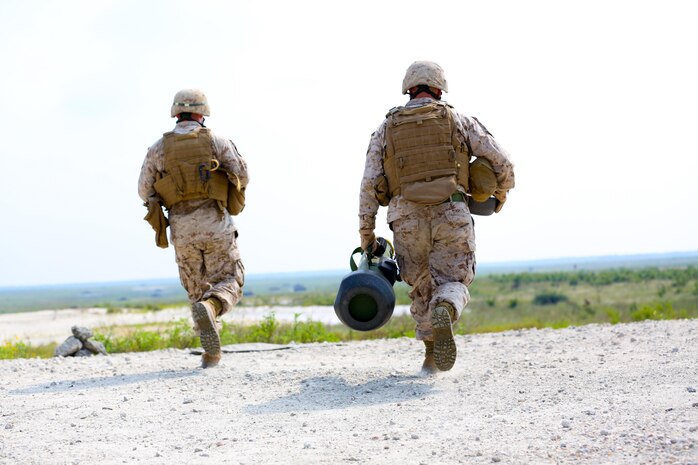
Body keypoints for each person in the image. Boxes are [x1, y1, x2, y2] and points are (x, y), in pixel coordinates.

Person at [358, 61, 515, 374]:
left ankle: (431, 356)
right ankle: (447, 307)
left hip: (406, 218)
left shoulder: (385, 129)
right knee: (454, 280)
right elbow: (503, 162)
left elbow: (368, 186)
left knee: (420, 286)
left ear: (408, 89)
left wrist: (367, 236)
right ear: (440, 88)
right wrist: (500, 193)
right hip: (451, 211)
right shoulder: (458, 120)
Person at [138, 88, 248, 368]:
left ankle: (211, 353)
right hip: (216, 226)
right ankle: (212, 308)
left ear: (176, 112)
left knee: (196, 290)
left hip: (182, 232)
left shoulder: (157, 149)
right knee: (231, 279)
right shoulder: (216, 142)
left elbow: (143, 191)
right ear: (202, 113)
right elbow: (243, 175)